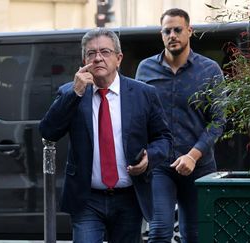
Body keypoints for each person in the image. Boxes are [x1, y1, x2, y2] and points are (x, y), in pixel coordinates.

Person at [39, 28, 172, 243]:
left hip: (129, 197)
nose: (98, 58)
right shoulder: (70, 92)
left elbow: (164, 138)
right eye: (91, 53)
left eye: (105, 52)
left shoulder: (143, 94)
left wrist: (150, 158)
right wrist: (75, 93)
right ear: (84, 60)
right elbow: (48, 131)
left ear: (118, 58)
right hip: (87, 198)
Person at [135, 8, 225, 243]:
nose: (172, 35)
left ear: (189, 31)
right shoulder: (145, 69)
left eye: (177, 30)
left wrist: (193, 156)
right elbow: (137, 117)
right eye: (167, 31)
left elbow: (218, 121)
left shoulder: (209, 70)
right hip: (159, 165)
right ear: (161, 34)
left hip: (199, 166)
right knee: (159, 232)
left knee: (195, 236)